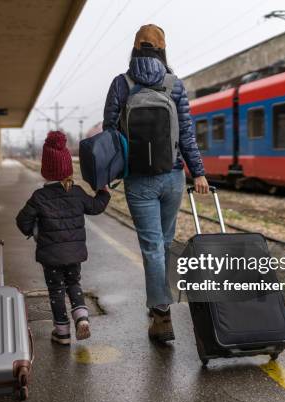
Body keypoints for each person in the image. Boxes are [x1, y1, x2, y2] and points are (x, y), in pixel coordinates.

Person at [102, 24, 209, 342]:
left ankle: (162, 317)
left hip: (138, 180)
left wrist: (108, 175)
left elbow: (110, 133)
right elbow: (187, 133)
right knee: (163, 244)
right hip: (172, 176)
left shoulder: (121, 84)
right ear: (163, 48)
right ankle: (160, 303)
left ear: (135, 47)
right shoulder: (174, 84)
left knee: (151, 249)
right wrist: (199, 172)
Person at [16, 131, 110, 345]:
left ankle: (62, 332)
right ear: (67, 168)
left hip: (50, 255)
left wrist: (34, 232)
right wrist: (103, 193)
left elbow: (22, 221)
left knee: (56, 290)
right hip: (74, 254)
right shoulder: (76, 192)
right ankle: (82, 317)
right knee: (74, 283)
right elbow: (95, 207)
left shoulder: (39, 197)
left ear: (44, 171)